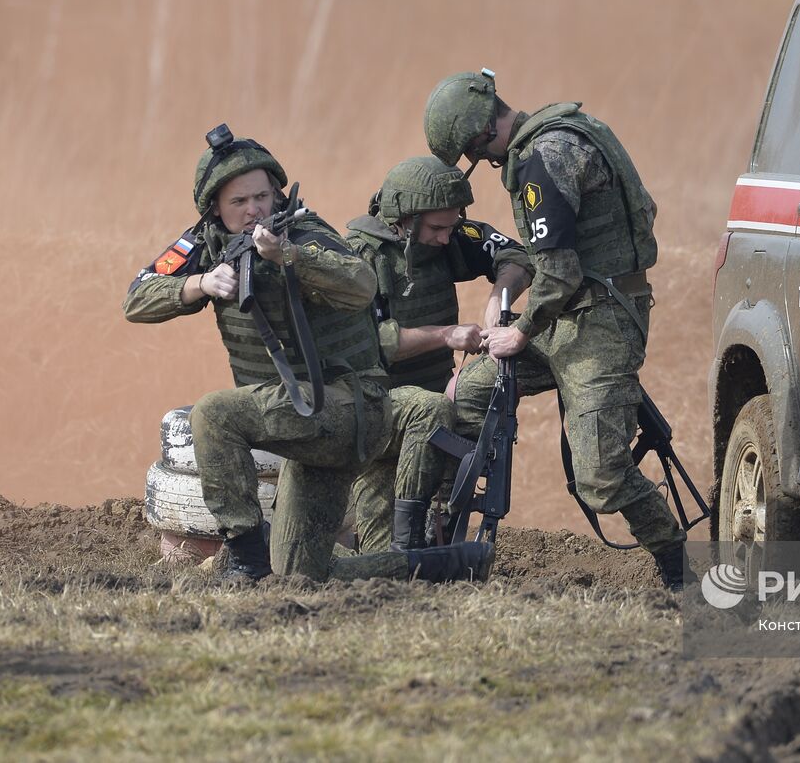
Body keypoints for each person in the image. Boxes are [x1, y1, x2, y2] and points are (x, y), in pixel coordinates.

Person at [122, 127, 489, 583]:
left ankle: (242, 560)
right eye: (240, 202)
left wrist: (289, 256)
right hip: (303, 425)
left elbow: (359, 282)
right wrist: (199, 284)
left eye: (262, 196)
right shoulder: (205, 244)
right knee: (301, 573)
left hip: (350, 406)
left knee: (214, 415)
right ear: (215, 207)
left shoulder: (304, 230)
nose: (255, 209)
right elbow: (136, 298)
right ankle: (445, 565)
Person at [423, 69, 689, 590]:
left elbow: (562, 270)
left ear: (479, 137)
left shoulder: (543, 159)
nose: (483, 163)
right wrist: (506, 304)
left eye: (474, 155)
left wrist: (520, 330)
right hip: (566, 314)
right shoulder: (562, 133)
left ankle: (677, 561)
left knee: (602, 477)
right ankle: (437, 541)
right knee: (464, 397)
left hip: (600, 323)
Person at [343, 156, 531, 552]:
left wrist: (500, 295)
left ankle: (436, 530)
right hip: (378, 411)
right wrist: (446, 334)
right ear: (403, 218)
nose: (447, 237)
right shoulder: (361, 257)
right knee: (384, 558)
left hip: (436, 405)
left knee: (434, 542)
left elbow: (516, 255)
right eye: (437, 228)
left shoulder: (444, 235)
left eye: (452, 225)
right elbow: (366, 343)